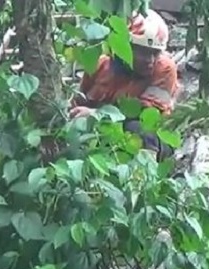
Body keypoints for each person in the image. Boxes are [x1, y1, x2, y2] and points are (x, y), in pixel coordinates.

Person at [69, 9, 179, 160]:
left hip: (154, 137)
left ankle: (142, 178)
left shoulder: (164, 69)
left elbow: (146, 117)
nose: (151, 60)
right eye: (144, 52)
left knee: (139, 131)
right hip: (102, 134)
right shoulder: (99, 66)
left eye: (155, 53)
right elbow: (79, 103)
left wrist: (96, 115)